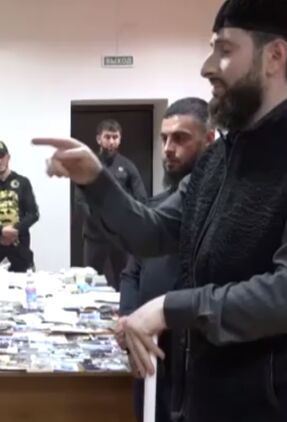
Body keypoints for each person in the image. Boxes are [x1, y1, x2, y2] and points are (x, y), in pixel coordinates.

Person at [33, 1, 287, 420]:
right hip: (199, 400)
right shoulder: (217, 161)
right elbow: (151, 233)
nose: (207, 67)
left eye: (225, 50)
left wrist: (171, 307)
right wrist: (95, 178)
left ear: (275, 56)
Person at [114, 97, 214, 422]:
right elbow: (132, 272)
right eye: (164, 138)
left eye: (180, 138)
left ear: (209, 140)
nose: (169, 149)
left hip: (198, 357)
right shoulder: (156, 208)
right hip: (149, 353)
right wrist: (127, 318)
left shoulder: (219, 213)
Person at [79, 119, 147, 290]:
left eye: (115, 137)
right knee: (90, 280)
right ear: (99, 139)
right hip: (94, 235)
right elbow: (80, 200)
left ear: (120, 139)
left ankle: (123, 306)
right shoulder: (88, 165)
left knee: (124, 279)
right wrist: (98, 222)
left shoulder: (127, 166)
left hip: (120, 236)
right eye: (107, 137)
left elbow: (141, 199)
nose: (111, 141)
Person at [0, 141, 39, 272]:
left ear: (8, 157)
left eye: (2, 156)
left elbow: (33, 214)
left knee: (24, 283)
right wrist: (2, 231)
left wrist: (15, 229)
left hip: (21, 248)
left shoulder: (23, 182)